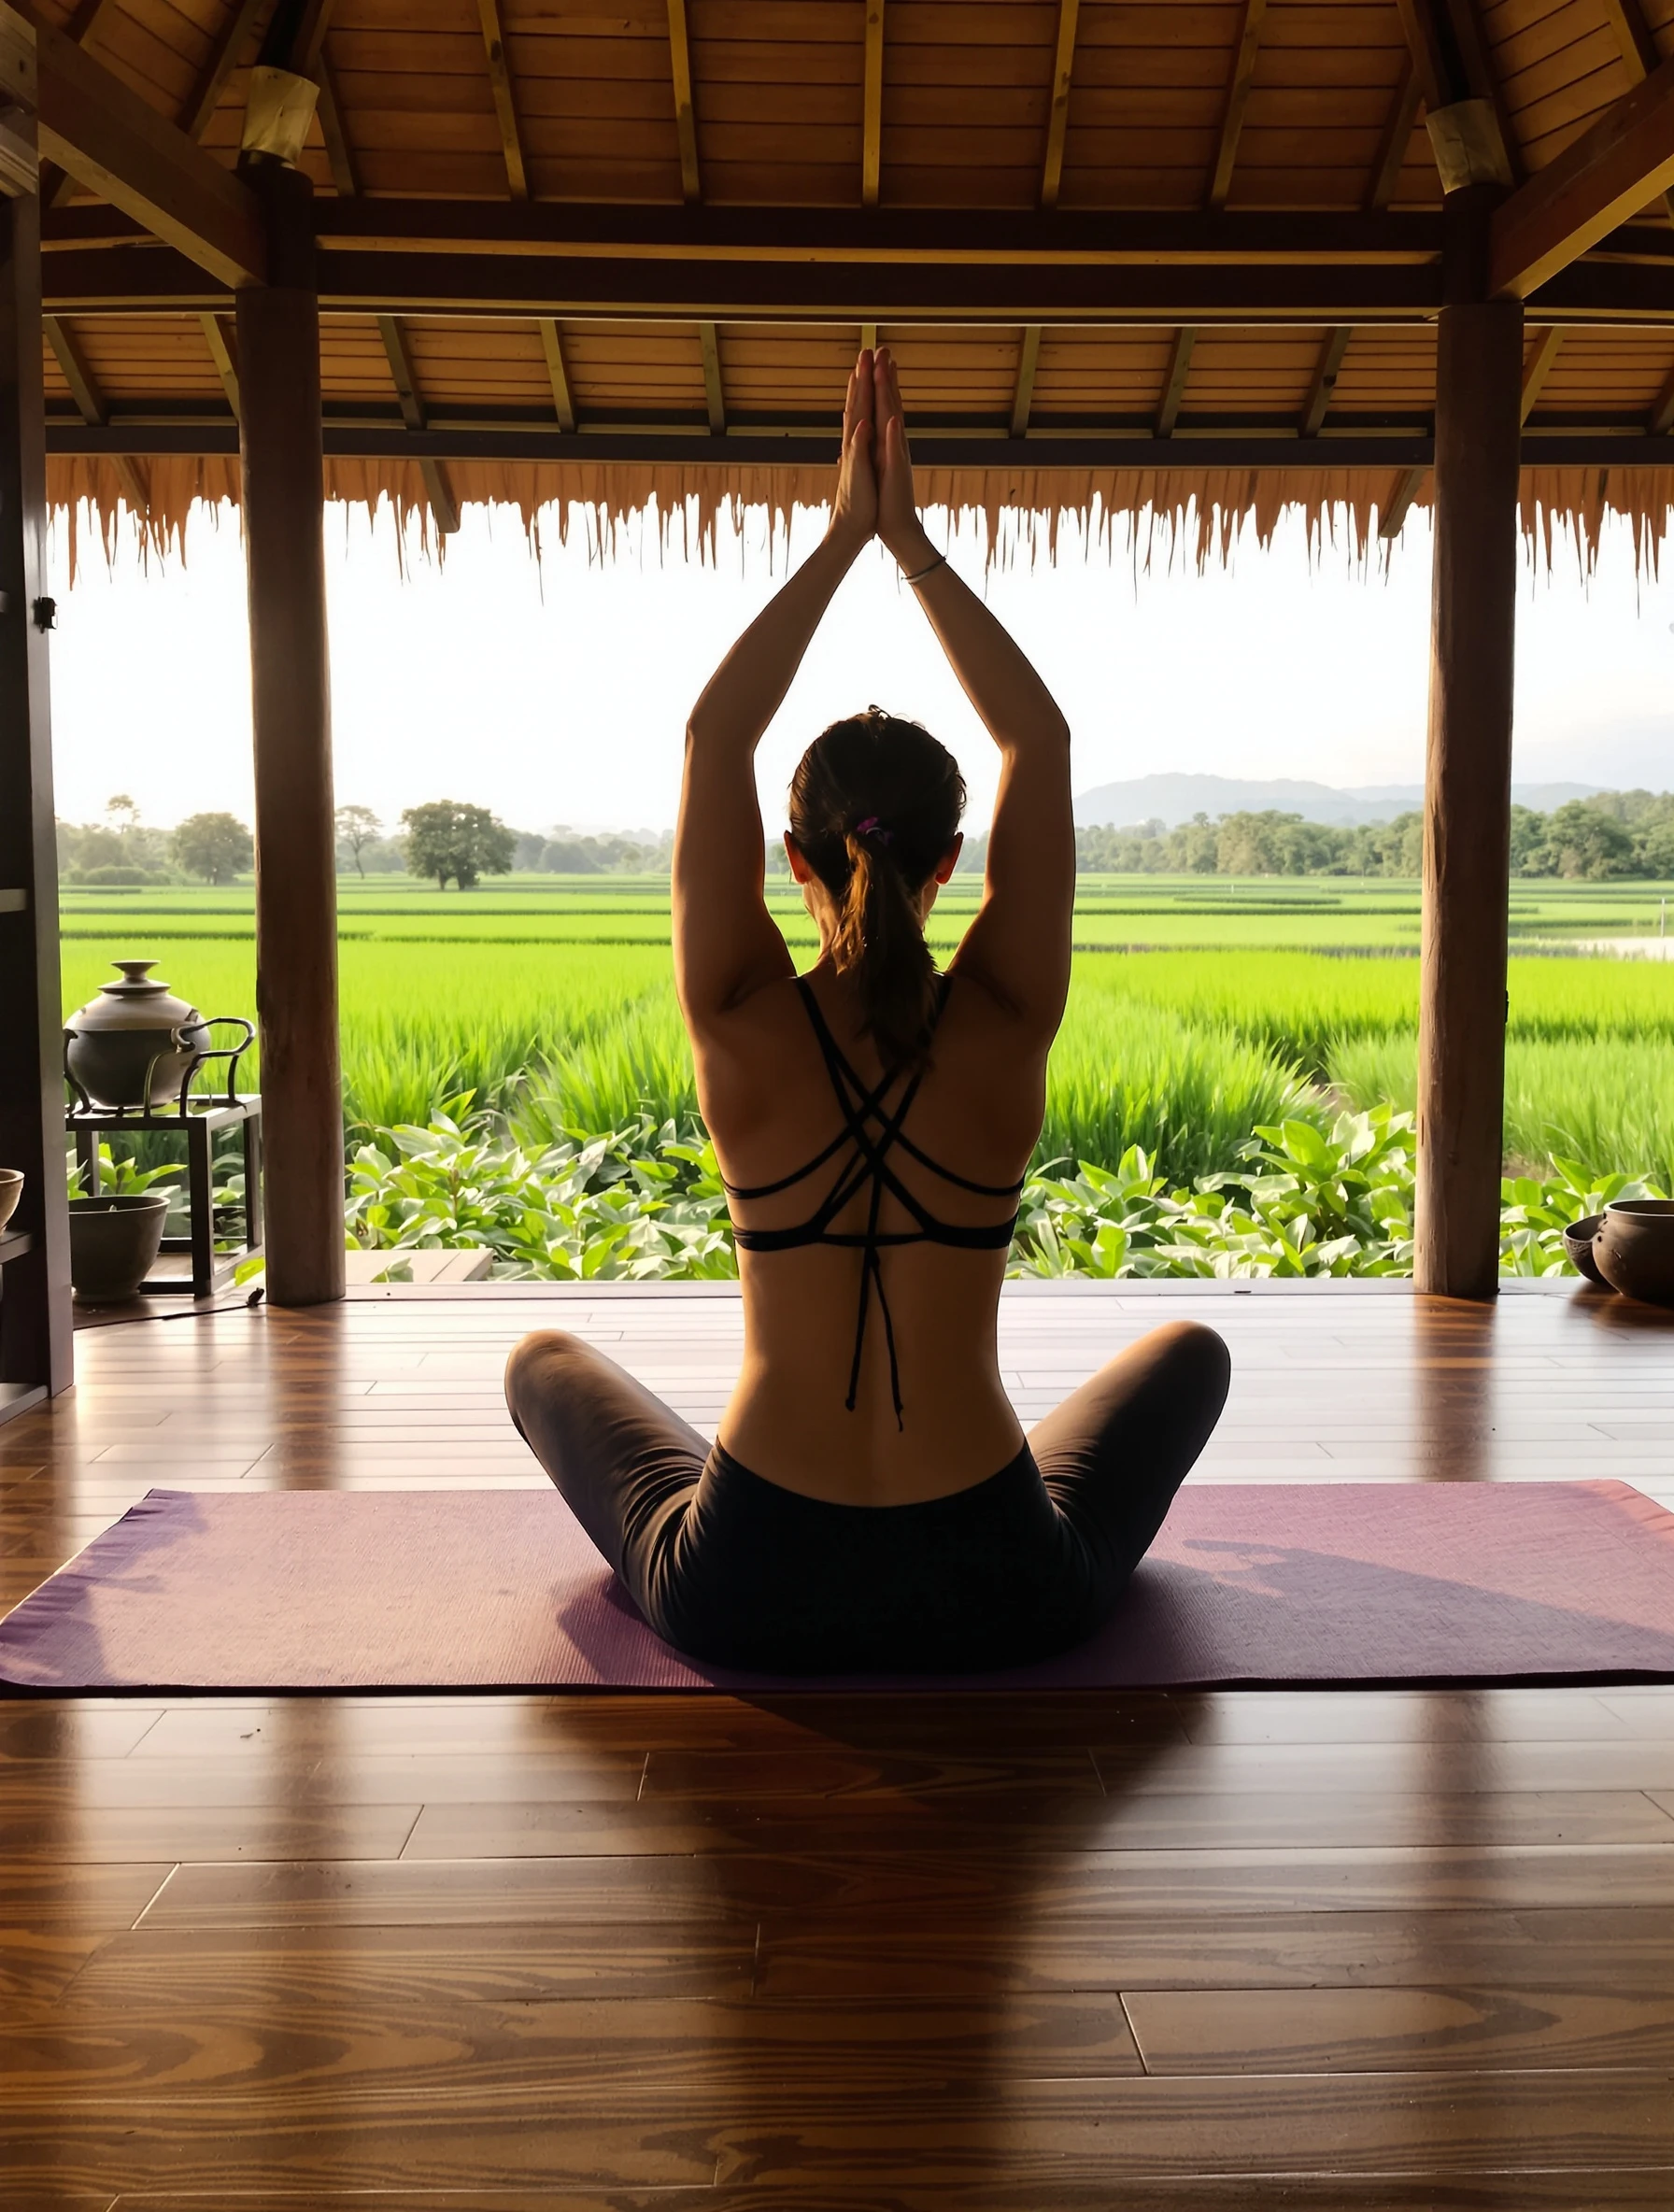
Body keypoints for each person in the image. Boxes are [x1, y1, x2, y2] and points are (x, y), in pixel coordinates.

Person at [506, 347, 1229, 1672]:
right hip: (1002, 1581)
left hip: (749, 1587)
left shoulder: (737, 1015)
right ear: (951, 863)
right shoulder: (1007, 1015)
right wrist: (909, 543)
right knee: (1190, 1349)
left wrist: (844, 537)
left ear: (796, 858)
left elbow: (713, 739)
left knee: (544, 1360)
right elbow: (1043, 745)